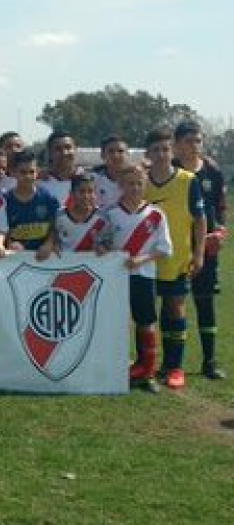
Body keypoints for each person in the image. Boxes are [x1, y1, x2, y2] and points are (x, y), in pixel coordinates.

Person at [144, 128, 206, 390]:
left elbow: (200, 219)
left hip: (178, 256)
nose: (161, 154)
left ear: (172, 151)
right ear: (148, 153)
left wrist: (199, 252)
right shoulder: (140, 181)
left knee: (174, 308)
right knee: (144, 315)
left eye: (165, 149)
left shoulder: (188, 180)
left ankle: (174, 367)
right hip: (144, 259)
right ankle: (147, 365)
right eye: (156, 150)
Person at [103, 165, 172, 389]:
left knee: (146, 322)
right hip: (117, 277)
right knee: (117, 322)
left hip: (143, 276)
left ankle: (148, 371)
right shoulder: (111, 213)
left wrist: (141, 259)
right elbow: (102, 241)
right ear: (121, 185)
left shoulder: (156, 214)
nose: (134, 188)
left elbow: (164, 248)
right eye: (130, 183)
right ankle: (116, 367)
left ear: (145, 185)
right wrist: (103, 249)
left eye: (139, 184)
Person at [173, 120, 227, 379]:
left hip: (206, 248)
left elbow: (221, 207)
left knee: (205, 303)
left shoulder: (212, 171)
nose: (194, 146)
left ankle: (209, 362)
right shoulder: (169, 170)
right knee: (174, 304)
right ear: (177, 145)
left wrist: (221, 230)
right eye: (188, 141)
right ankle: (173, 364)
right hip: (176, 248)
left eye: (198, 141)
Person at [4, 150, 58, 259]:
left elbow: (56, 227)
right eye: (23, 172)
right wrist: (9, 243)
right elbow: (1, 230)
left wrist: (49, 244)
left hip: (43, 258)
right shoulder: (5, 200)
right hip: (14, 259)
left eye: (31, 172)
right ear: (14, 172)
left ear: (37, 172)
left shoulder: (47, 197)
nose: (28, 176)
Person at [52, 173, 107, 254]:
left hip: (92, 265)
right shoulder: (59, 216)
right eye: (82, 191)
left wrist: (104, 247)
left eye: (90, 191)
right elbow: (53, 239)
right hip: (65, 265)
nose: (86, 196)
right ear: (71, 193)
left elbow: (109, 242)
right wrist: (53, 245)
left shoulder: (102, 217)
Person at [38, 131, 81, 207]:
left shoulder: (89, 179)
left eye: (68, 147)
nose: (64, 153)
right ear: (50, 153)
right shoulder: (38, 182)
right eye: (58, 149)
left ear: (75, 150)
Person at [93, 135, 129, 210]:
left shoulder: (136, 181)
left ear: (127, 154)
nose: (116, 156)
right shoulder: (92, 180)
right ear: (102, 155)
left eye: (120, 151)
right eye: (111, 151)